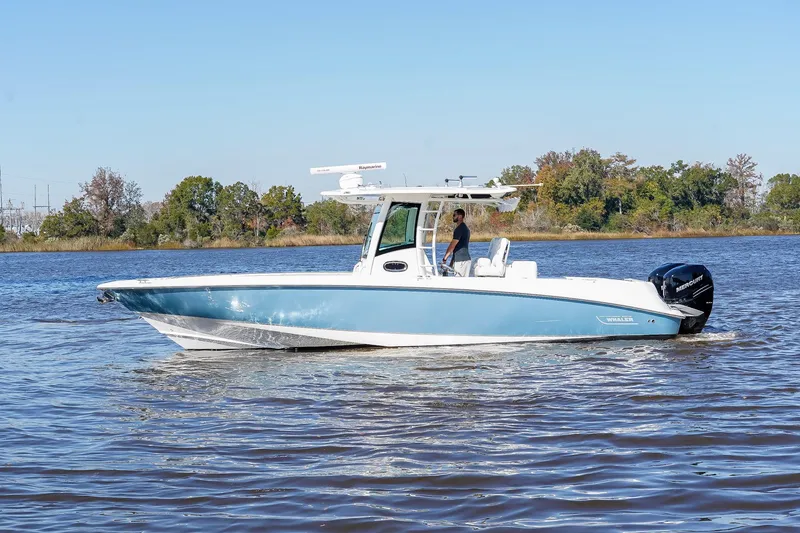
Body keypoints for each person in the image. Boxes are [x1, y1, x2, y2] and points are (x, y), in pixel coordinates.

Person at [442, 208, 471, 277]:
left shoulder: (459, 229)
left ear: (460, 216)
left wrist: (445, 258)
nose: (453, 216)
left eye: (454, 215)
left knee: (459, 282)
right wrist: (451, 263)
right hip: (463, 259)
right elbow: (457, 248)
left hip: (461, 261)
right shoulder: (464, 228)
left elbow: (452, 246)